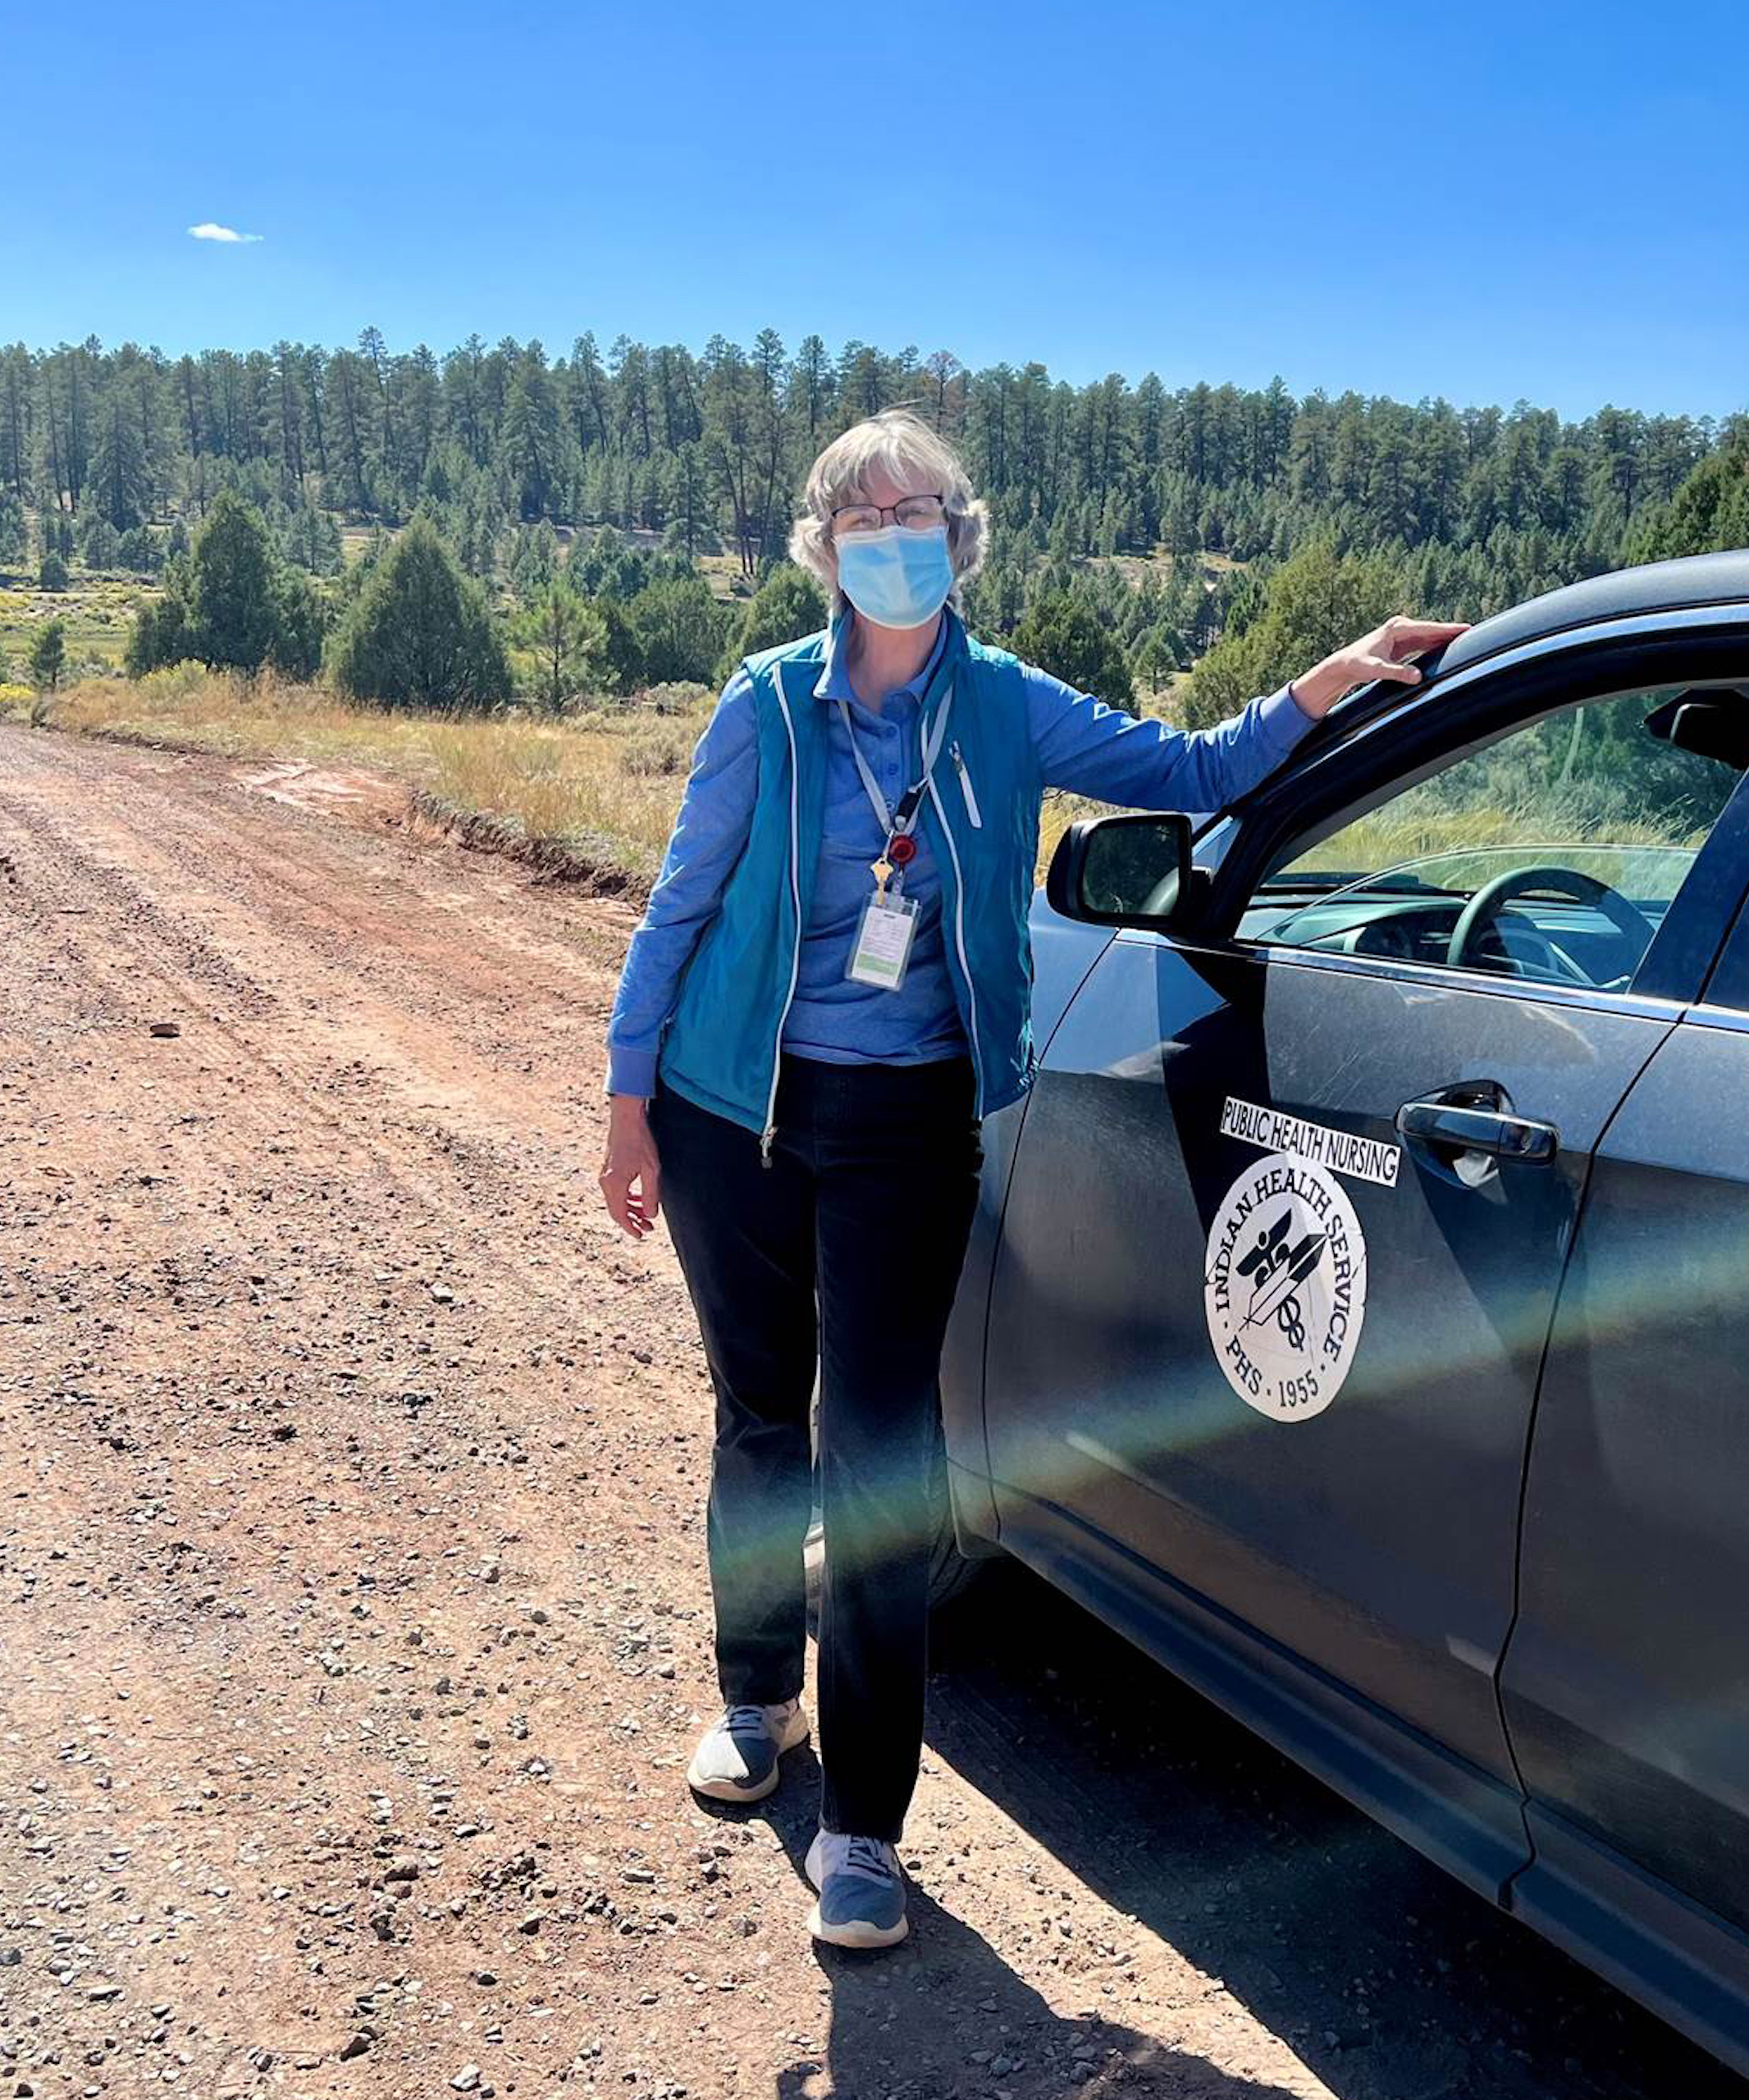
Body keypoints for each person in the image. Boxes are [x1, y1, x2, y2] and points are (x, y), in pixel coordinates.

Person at [598, 407, 1463, 1950]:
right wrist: (626, 1103)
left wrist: (1330, 681)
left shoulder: (1000, 705)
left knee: (884, 1458)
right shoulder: (766, 710)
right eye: (869, 514)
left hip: (907, 1123)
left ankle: (863, 1830)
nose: (897, 534)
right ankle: (754, 1696)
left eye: (922, 509)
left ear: (959, 532)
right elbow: (677, 908)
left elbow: (1187, 766)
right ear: (826, 544)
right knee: (756, 1417)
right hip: (737, 1115)